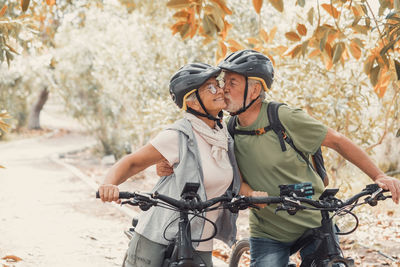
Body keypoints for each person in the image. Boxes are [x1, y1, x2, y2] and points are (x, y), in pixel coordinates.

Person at [157, 50, 400, 267]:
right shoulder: (227, 130)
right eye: (224, 81)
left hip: (313, 219)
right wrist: (170, 163)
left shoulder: (283, 117)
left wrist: (378, 175)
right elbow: (210, 162)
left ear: (254, 89)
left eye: (232, 82)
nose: (224, 88)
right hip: (269, 230)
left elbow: (338, 141)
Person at [98, 62, 241, 267]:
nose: (219, 90)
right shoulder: (178, 136)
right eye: (210, 87)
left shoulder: (223, 135)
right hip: (159, 236)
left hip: (201, 243)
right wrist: (108, 185)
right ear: (193, 103)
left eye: (216, 84)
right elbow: (132, 163)